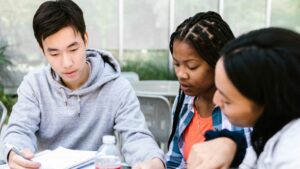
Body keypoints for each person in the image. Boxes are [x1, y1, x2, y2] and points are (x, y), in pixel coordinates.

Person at [0, 0, 164, 169]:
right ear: (42, 50)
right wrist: (15, 153)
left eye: (73, 49)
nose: (67, 63)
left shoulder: (116, 87)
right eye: (54, 53)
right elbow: (18, 131)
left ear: (85, 39)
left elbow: (136, 136)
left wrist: (152, 161)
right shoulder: (34, 85)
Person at [165, 11, 251, 169]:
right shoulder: (184, 100)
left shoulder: (244, 106)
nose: (181, 74)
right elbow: (175, 162)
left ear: (218, 62)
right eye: (177, 64)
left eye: (192, 66)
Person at [213, 27, 300, 168]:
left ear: (270, 103)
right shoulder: (267, 131)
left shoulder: (293, 153)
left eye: (227, 99)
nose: (215, 101)